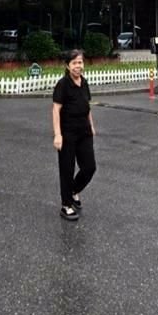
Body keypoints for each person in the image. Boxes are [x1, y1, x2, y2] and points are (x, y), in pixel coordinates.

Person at [51, 50, 96, 222]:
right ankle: (66, 205)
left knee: (89, 167)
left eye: (80, 62)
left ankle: (73, 190)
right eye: (75, 63)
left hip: (84, 132)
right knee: (67, 169)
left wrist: (91, 125)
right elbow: (56, 109)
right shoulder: (63, 84)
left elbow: (87, 106)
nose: (78, 66)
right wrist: (57, 134)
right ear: (68, 66)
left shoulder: (84, 83)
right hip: (67, 133)